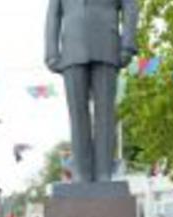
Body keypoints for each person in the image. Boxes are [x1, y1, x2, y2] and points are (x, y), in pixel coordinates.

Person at [44, 0, 138, 182]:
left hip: (107, 46)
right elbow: (53, 15)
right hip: (72, 48)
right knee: (77, 115)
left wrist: (127, 45)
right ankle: (82, 173)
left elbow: (130, 7)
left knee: (105, 115)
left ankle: (104, 172)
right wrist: (51, 52)